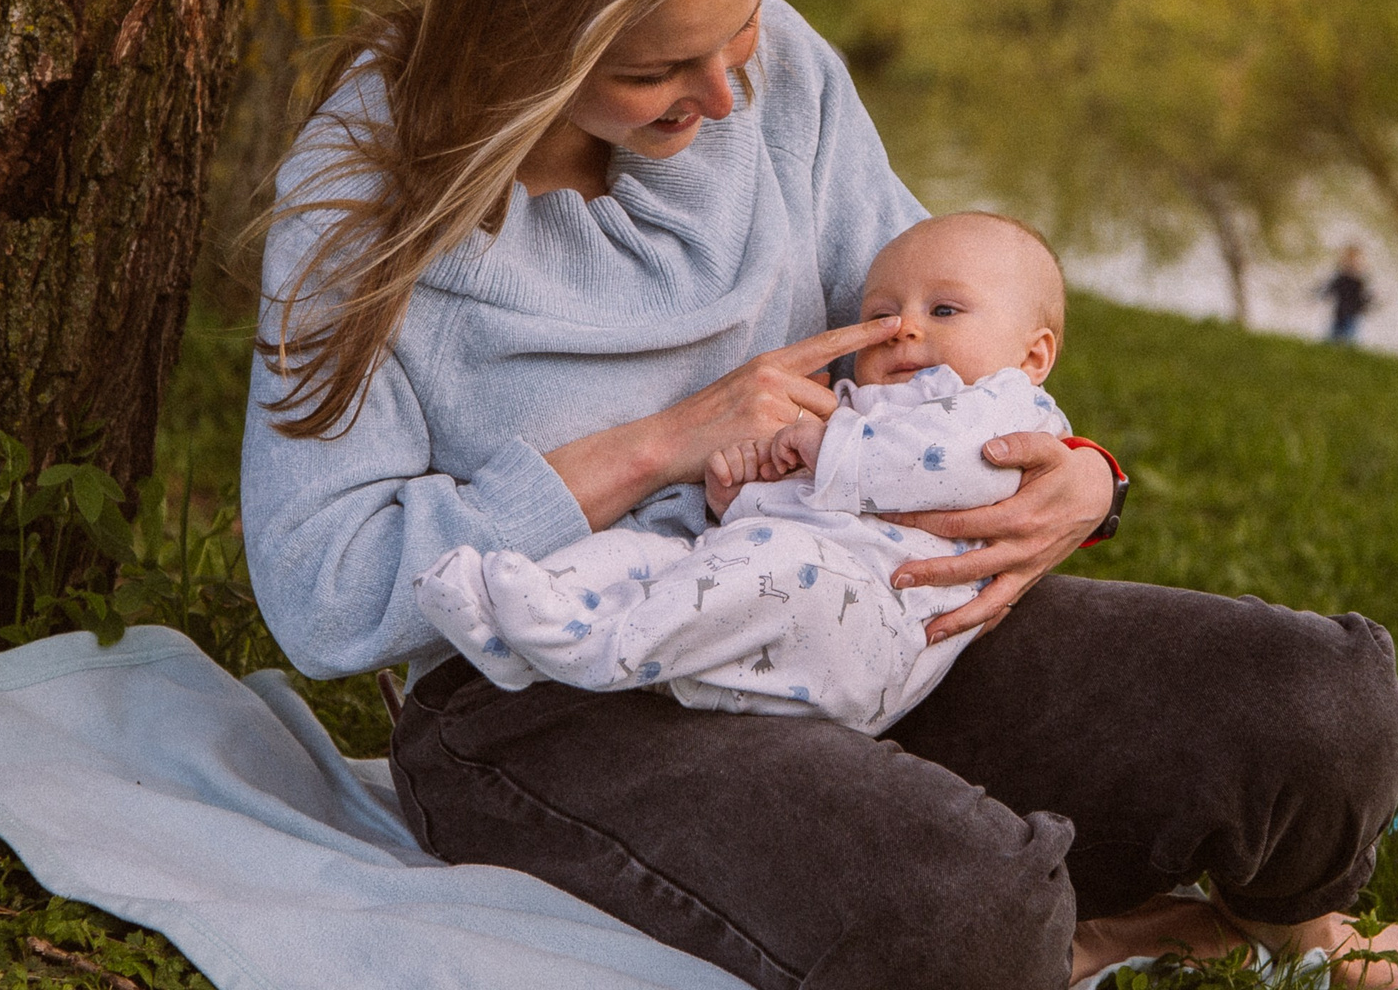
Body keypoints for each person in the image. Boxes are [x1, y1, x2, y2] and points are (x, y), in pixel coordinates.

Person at [240, 0, 1398, 990]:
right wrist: (664, 441)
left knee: (1324, 705)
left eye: (742, 31)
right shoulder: (363, 202)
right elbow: (325, 588)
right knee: (969, 930)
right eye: (669, 67)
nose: (730, 95)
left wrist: (1077, 470)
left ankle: (1293, 936)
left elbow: (951, 323)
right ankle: (1116, 926)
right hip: (552, 695)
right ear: (530, 31)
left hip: (852, 607)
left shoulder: (776, 75)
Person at [411, 212, 1074, 736]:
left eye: (945, 312)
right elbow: (797, 496)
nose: (902, 329)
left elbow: (955, 468)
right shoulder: (852, 409)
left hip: (876, 628)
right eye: (880, 314)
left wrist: (824, 446)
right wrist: (742, 488)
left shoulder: (1009, 408)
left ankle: (593, 648)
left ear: (1034, 352)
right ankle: (508, 613)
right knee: (652, 555)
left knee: (768, 562)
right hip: (780, 591)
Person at [1320, 244, 1375, 344]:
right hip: (1340, 311)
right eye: (1348, 260)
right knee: (1334, 334)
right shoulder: (1340, 277)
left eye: (1354, 260)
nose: (1351, 263)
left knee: (1349, 334)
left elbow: (1365, 295)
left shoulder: (1359, 280)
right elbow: (1329, 288)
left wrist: (1369, 303)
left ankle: (1345, 349)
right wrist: (1321, 295)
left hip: (1352, 312)